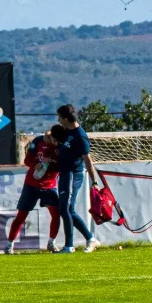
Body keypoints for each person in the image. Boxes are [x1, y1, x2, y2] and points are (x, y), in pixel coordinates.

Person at [5, 125, 64, 253]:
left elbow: (61, 166)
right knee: (21, 215)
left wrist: (50, 164)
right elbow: (27, 160)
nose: (47, 139)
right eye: (47, 136)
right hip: (31, 185)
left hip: (49, 186)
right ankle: (9, 244)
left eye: (51, 138)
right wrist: (35, 164)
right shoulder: (37, 141)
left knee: (56, 214)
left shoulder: (60, 146)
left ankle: (52, 242)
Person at [53, 103, 100, 253]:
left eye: (60, 118)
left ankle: (69, 245)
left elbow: (88, 161)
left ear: (66, 119)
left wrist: (95, 182)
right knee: (67, 209)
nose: (58, 120)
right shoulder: (67, 131)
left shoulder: (80, 136)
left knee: (65, 208)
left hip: (73, 175)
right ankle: (90, 239)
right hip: (64, 174)